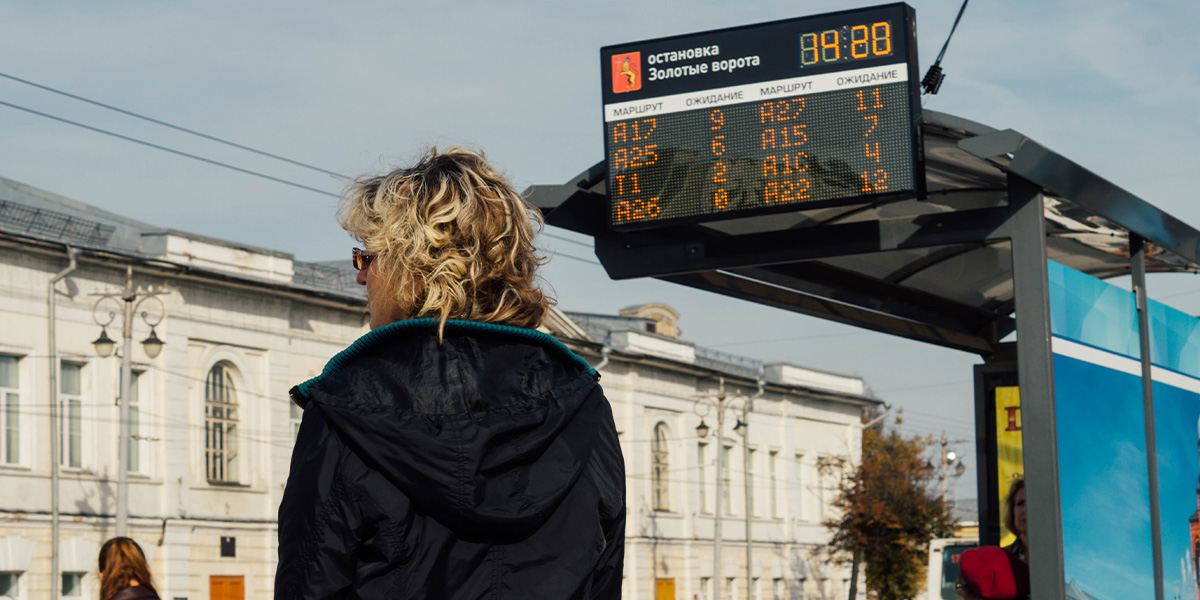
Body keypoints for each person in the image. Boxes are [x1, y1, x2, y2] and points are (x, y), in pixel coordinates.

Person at [275, 146, 625, 599]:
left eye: (366, 258)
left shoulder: (345, 404)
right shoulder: (581, 400)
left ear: (409, 267)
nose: (361, 278)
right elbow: (604, 575)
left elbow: (311, 583)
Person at [1002, 478, 1030, 599]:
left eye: (1032, 502)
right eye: (1020, 504)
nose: (1025, 510)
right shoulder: (1003, 559)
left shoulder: (1061, 557)